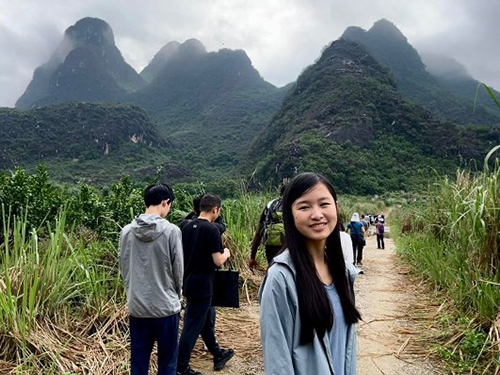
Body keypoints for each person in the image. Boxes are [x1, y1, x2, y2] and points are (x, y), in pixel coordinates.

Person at [258, 172, 361, 375]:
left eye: (324, 204)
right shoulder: (281, 278)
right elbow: (278, 362)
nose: (316, 214)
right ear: (290, 215)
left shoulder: (343, 273)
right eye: (304, 207)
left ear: (336, 208)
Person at [119, 183, 183, 375]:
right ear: (165, 202)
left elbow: (124, 268)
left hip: (138, 307)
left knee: (138, 361)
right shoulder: (172, 231)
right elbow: (178, 270)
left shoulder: (126, 232)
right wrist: (177, 295)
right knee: (168, 361)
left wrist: (132, 294)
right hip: (165, 308)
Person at [177, 194, 234, 375]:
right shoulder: (212, 230)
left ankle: (218, 354)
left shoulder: (184, 226)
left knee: (205, 322)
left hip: (188, 281)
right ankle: (181, 366)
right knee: (192, 326)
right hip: (203, 285)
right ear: (215, 209)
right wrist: (226, 253)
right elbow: (218, 261)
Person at [248, 186, 285, 269]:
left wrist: (252, 257)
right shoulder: (296, 205)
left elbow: (258, 233)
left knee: (273, 269)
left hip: (271, 245)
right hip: (289, 246)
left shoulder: (270, 205)